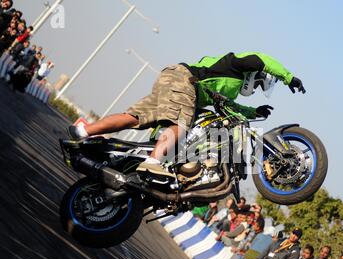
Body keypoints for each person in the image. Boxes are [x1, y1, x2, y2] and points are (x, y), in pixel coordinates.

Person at [67, 52, 306, 178]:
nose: (256, 89)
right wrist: (288, 77)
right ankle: (152, 163)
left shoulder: (226, 86)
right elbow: (261, 59)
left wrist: (254, 112)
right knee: (182, 124)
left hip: (173, 79)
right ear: (256, 74)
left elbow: (230, 108)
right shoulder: (235, 65)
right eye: (260, 84)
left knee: (136, 118)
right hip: (184, 81)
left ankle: (83, 131)